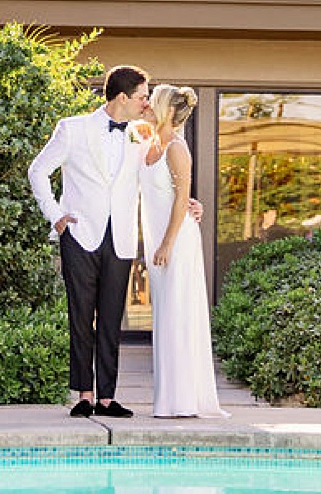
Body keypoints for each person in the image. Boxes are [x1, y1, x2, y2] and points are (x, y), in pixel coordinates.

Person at [27, 64, 152, 418]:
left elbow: (159, 174)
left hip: (122, 237)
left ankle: (108, 398)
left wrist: (187, 200)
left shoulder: (142, 134)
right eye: (143, 97)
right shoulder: (72, 129)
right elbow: (38, 170)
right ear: (123, 97)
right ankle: (83, 394)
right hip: (80, 235)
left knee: (111, 320)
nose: (147, 103)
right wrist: (55, 216)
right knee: (81, 318)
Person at [137, 83, 228, 419]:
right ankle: (169, 398)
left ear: (163, 108)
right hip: (159, 240)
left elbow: (180, 198)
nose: (145, 104)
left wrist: (166, 243)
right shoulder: (148, 142)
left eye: (151, 101)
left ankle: (182, 400)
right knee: (164, 315)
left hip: (176, 241)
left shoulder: (177, 147)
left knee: (178, 314)